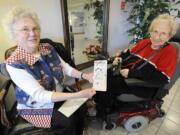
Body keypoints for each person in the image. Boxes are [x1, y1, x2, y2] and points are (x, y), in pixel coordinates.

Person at [2, 7, 96, 135]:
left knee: (81, 108)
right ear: (14, 35)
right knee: (66, 121)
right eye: (25, 29)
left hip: (58, 93)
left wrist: (85, 75)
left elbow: (66, 68)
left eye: (35, 28)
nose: (33, 33)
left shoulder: (47, 48)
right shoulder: (14, 63)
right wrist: (77, 95)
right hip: (36, 105)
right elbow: (40, 95)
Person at [95, 14, 178, 117]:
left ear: (169, 36)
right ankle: (96, 100)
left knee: (110, 82)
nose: (157, 37)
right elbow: (129, 54)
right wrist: (120, 58)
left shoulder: (170, 51)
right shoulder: (145, 42)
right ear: (151, 31)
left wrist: (131, 73)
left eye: (163, 34)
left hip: (143, 85)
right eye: (155, 31)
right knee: (101, 70)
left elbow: (162, 79)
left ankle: (101, 112)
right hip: (128, 73)